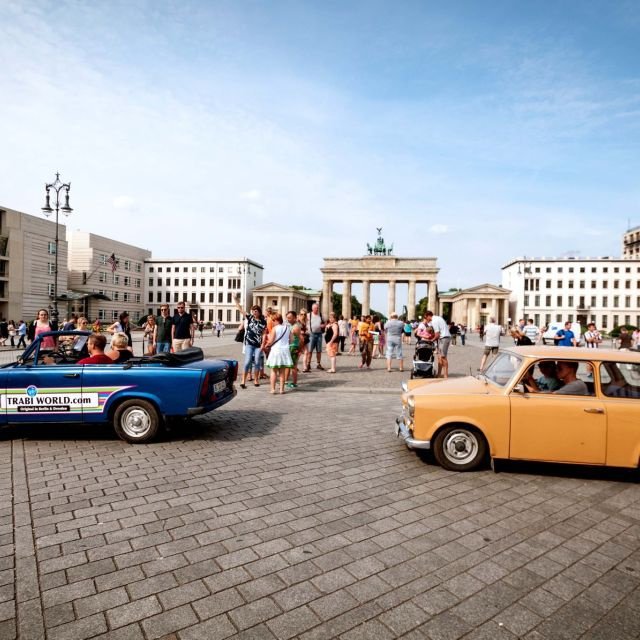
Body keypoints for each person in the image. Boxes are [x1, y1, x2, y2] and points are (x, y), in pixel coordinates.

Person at [235, 297, 267, 389]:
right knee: (247, 361)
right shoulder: (249, 318)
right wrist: (235, 300)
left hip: (258, 345)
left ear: (259, 312)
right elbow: (240, 309)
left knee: (257, 361)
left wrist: (263, 345)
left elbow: (264, 334)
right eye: (253, 311)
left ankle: (256, 379)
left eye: (255, 311)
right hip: (249, 344)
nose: (254, 312)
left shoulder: (263, 321)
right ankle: (243, 381)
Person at [265, 313, 293, 394]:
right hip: (285, 351)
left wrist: (267, 342)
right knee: (282, 371)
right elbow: (291, 339)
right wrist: (285, 343)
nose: (272, 322)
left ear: (276, 320)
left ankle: (273, 389)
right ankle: (282, 389)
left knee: (274, 371)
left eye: (273, 320)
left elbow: (271, 341)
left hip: (276, 350)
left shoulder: (275, 328)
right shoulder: (287, 328)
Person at [424, 310, 451, 378]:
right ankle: (439, 374)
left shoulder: (434, 321)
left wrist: (430, 341)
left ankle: (445, 375)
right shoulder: (437, 318)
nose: (426, 319)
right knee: (439, 358)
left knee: (443, 357)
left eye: (426, 317)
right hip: (442, 338)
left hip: (444, 338)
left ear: (429, 316)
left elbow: (437, 335)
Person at [285, 311, 303, 389]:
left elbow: (301, 339)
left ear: (294, 318)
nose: (288, 319)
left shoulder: (296, 327)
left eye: (290, 318)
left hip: (293, 347)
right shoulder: (291, 325)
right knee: (288, 365)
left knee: (293, 366)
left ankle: (294, 382)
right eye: (287, 317)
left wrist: (299, 349)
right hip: (289, 347)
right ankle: (285, 381)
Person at [304, 303, 325, 371]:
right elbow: (303, 322)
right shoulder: (308, 315)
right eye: (315, 308)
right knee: (310, 351)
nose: (317, 309)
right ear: (312, 309)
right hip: (311, 334)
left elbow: (325, 323)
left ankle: (318, 364)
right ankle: (308, 364)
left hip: (319, 334)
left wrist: (323, 325)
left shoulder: (321, 315)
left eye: (317, 308)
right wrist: (306, 329)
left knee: (319, 350)